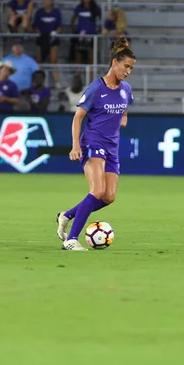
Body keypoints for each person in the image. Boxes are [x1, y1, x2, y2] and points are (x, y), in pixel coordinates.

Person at [55, 38, 135, 251]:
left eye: (131, 68)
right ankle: (71, 240)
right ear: (115, 63)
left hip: (112, 148)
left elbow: (125, 112)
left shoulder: (126, 89)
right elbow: (78, 117)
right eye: (126, 66)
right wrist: (75, 146)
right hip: (93, 143)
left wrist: (120, 118)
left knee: (109, 197)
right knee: (97, 190)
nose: (128, 71)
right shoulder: (95, 89)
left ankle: (67, 215)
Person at [33, 0, 62, 88]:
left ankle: (57, 83)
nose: (47, 1)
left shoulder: (56, 12)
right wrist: (38, 34)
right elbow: (35, 27)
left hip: (53, 39)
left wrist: (55, 33)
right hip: (42, 38)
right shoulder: (39, 12)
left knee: (53, 61)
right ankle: (39, 83)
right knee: (39, 61)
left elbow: (59, 27)